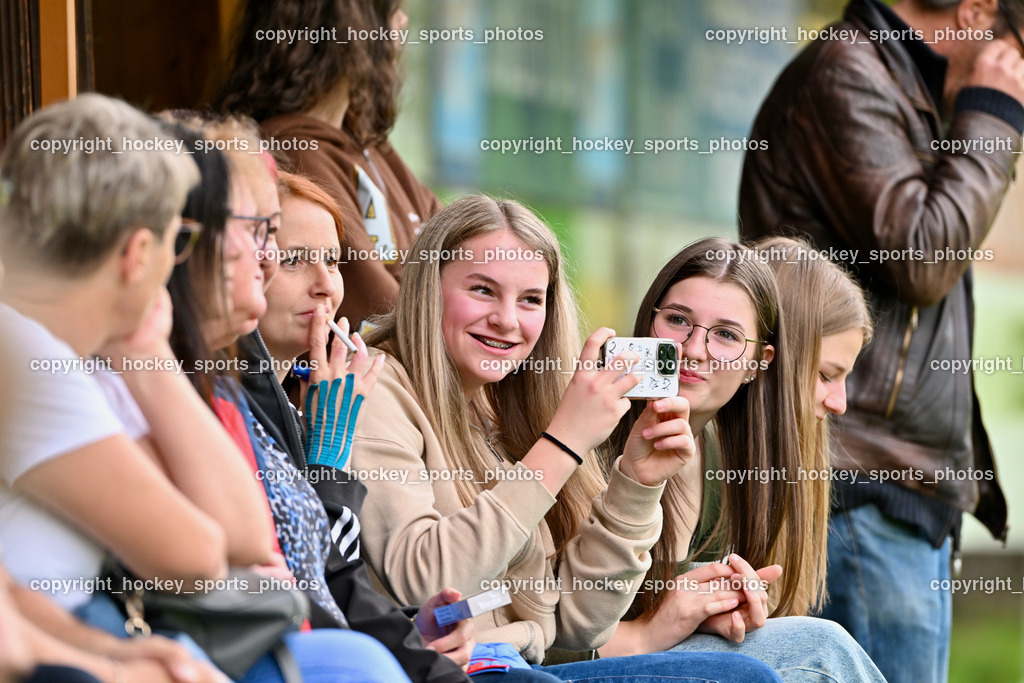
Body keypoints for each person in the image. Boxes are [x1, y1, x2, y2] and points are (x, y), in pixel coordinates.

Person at [346, 194, 783, 682]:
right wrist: (561, 443)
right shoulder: (375, 387)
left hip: (526, 662)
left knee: (815, 643)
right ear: (431, 287)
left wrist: (635, 485)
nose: (508, 320)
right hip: (458, 670)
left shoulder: (507, 404)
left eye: (531, 299)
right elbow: (421, 583)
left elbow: (578, 626)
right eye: (483, 290)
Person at [738, 1, 1020, 679]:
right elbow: (923, 256)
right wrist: (993, 110)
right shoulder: (847, 74)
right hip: (857, 478)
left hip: (892, 485)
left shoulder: (908, 92)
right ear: (977, 11)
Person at [164, 151, 474, 683]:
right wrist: (326, 461)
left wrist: (408, 629)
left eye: (332, 260)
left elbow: (333, 583)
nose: (326, 284)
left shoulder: (290, 394)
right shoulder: (221, 384)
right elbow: (309, 577)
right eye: (293, 260)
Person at [0, 94, 244, 682]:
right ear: (137, 254)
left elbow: (237, 535)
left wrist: (103, 656)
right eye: (175, 241)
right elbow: (196, 556)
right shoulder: (30, 359)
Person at [598, 239, 884, 682]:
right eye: (825, 375)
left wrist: (710, 613)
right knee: (819, 651)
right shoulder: (592, 433)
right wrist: (652, 630)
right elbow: (538, 632)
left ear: (759, 361)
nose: (694, 349)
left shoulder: (721, 463)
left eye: (726, 335)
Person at [217, 0, 440, 326]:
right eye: (391, 10)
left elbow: (461, 252)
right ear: (349, 28)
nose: (403, 21)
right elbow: (388, 321)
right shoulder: (295, 152)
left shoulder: (371, 146)